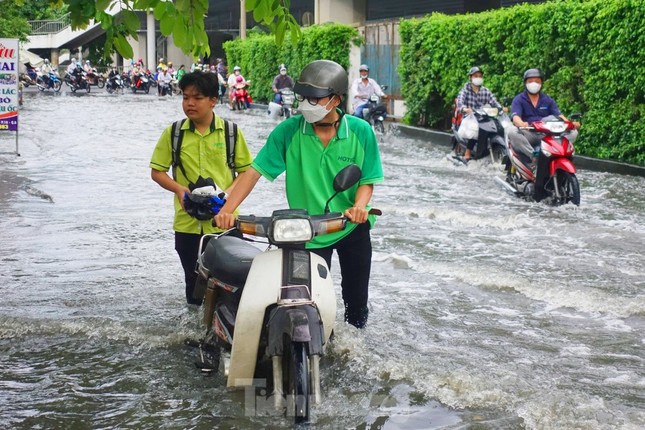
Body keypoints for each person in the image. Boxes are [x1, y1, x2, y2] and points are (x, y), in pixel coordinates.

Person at [214, 60, 384, 329]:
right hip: (308, 232)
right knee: (306, 302)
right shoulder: (289, 130)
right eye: (303, 97)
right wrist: (227, 209)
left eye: (314, 99)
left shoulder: (361, 131)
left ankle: (353, 348)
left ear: (335, 100)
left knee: (356, 301)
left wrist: (360, 207)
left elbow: (368, 179)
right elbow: (254, 172)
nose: (306, 104)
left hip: (351, 225)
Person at [149, 72, 254, 305]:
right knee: (194, 285)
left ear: (213, 100)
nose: (189, 104)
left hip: (226, 222)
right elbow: (157, 172)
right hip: (187, 226)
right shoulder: (174, 133)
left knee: (232, 286)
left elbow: (246, 172)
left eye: (197, 98)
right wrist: (179, 190)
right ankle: (196, 334)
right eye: (185, 97)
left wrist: (226, 197)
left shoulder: (231, 133)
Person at [507, 68, 580, 170]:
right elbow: (515, 117)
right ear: (525, 83)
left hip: (547, 133)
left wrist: (571, 124)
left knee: (573, 132)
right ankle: (533, 156)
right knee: (512, 132)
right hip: (530, 133)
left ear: (541, 83)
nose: (534, 84)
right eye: (530, 81)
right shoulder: (519, 99)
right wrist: (522, 123)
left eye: (537, 81)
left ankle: (562, 153)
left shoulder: (547, 100)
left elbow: (560, 116)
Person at [456, 66, 505, 160]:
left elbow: (494, 101)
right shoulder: (465, 90)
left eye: (480, 76)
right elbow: (460, 102)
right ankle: (468, 152)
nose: (478, 78)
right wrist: (465, 109)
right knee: (475, 129)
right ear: (470, 77)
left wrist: (501, 108)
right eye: (475, 76)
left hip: (484, 116)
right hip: (470, 117)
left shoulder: (485, 91)